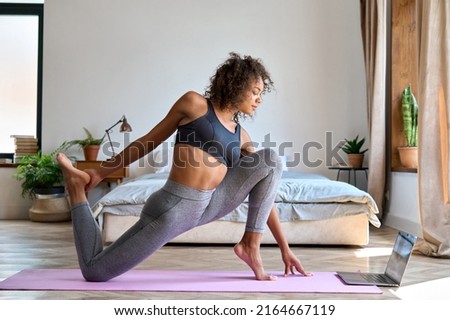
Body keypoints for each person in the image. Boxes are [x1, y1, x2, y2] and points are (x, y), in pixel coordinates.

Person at [57, 52, 310, 282]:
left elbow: (264, 196)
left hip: (209, 205)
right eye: (255, 91)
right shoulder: (195, 105)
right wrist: (100, 172)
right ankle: (77, 191)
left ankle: (249, 246)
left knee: (271, 160)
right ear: (238, 85)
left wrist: (285, 249)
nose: (259, 100)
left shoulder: (242, 136)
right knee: (94, 271)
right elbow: (148, 141)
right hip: (173, 208)